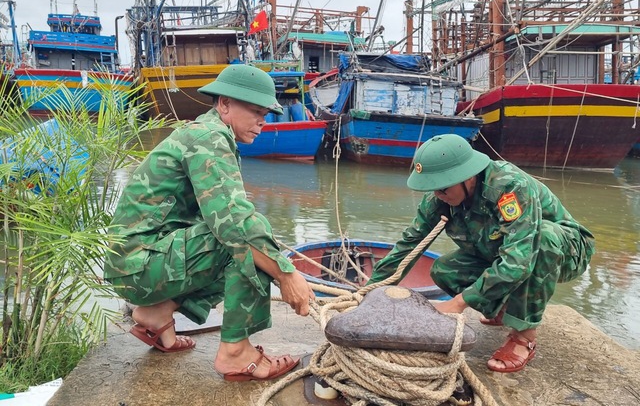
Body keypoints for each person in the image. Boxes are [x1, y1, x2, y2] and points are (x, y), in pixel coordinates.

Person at [103, 64, 315, 381]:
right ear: (224, 104)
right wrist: (286, 273)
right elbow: (234, 226)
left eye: (266, 114)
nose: (262, 121)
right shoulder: (210, 138)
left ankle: (157, 314)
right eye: (256, 111)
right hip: (140, 268)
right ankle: (235, 352)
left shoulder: (207, 135)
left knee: (248, 235)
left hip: (136, 266)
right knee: (249, 236)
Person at [367, 134, 595, 373]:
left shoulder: (509, 187)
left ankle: (524, 336)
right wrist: (371, 292)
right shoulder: (440, 198)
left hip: (565, 250)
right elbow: (409, 245)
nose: (437, 195)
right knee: (444, 270)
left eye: (443, 188)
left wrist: (459, 302)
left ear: (467, 177)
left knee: (543, 237)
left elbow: (520, 258)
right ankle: (502, 308)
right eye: (433, 188)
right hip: (502, 250)